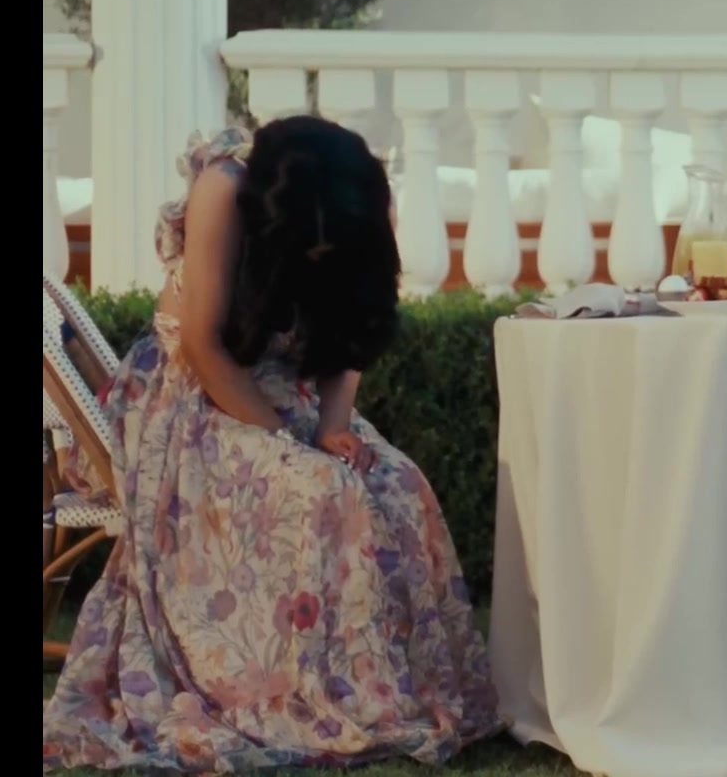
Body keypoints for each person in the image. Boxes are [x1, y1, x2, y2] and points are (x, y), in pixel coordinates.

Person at [43, 116, 501, 771]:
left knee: (395, 483)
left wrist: (333, 427)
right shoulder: (225, 189)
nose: (318, 255)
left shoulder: (360, 201)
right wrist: (287, 443)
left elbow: (354, 331)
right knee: (313, 486)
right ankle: (278, 691)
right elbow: (202, 345)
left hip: (288, 387)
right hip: (190, 391)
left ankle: (372, 690)